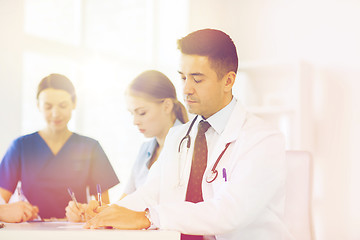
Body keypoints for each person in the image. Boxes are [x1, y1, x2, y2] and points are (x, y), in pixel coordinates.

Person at [83, 29, 291, 240]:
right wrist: (105, 214)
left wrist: (149, 217)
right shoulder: (178, 137)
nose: (186, 89)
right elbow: (150, 194)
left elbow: (229, 212)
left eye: (197, 80)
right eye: (183, 77)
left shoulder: (263, 140)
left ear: (228, 81)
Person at [65, 70, 189, 222]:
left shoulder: (190, 145)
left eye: (142, 113)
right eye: (132, 114)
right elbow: (124, 204)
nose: (135, 121)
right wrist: (92, 213)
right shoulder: (145, 150)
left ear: (167, 105)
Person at [0, 73, 119, 221]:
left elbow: (105, 210)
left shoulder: (91, 147)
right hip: (29, 232)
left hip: (75, 231)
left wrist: (88, 214)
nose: (55, 113)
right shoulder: (20, 147)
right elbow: (1, 204)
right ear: (38, 106)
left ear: (74, 104)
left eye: (63, 105)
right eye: (48, 106)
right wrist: (8, 211)